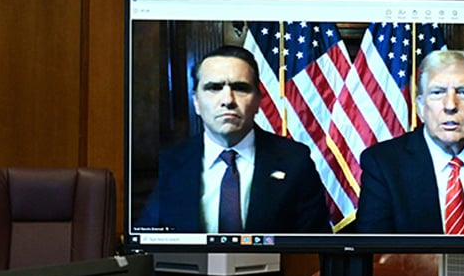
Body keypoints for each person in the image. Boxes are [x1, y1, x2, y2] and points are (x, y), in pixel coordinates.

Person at [136, 45, 330, 233]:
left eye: (240, 88)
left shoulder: (296, 161)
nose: (228, 100)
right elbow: (148, 242)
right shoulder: (170, 163)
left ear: (258, 101)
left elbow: (315, 249)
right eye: (214, 88)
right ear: (196, 102)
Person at [355, 50, 464, 234]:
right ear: (421, 107)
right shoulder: (383, 164)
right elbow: (373, 252)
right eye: (437, 92)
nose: (450, 106)